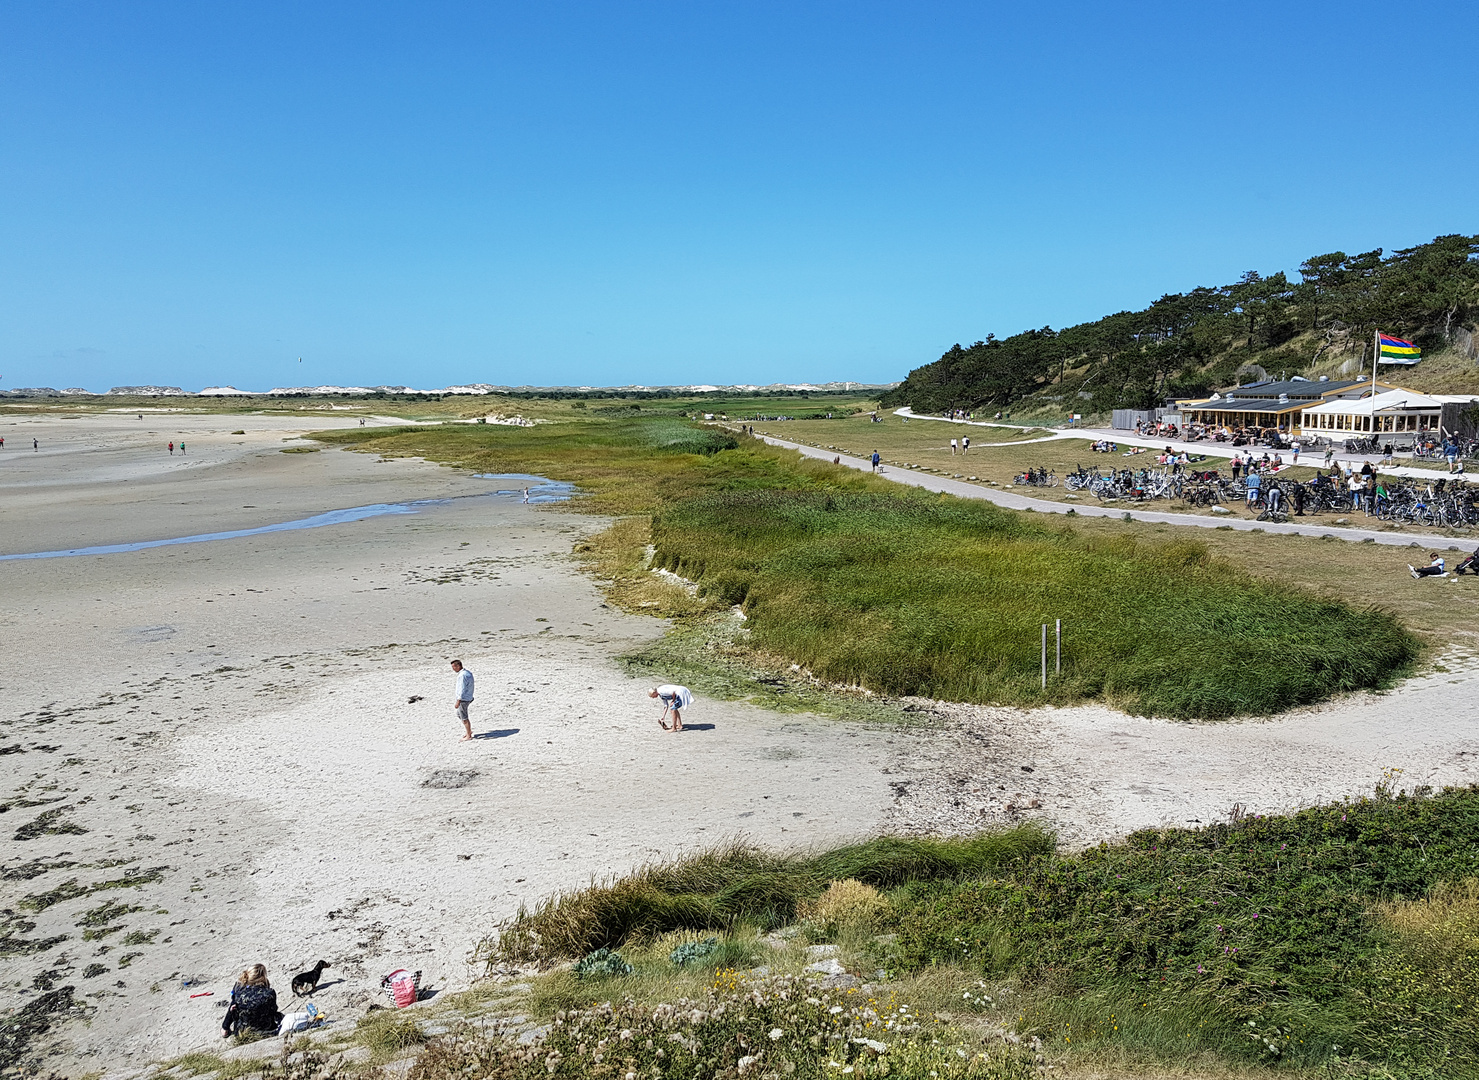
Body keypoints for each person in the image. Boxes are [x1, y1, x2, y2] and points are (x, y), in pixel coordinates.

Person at [222, 964, 282, 1039]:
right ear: (262, 977)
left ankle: (225, 1030)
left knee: (234, 1008)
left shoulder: (239, 990)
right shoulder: (269, 992)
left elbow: (232, 1009)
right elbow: (273, 1010)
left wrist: (225, 1026)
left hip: (242, 1033)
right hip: (266, 1030)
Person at [450, 659, 474, 741]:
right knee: (459, 714)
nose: (453, 669)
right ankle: (469, 731)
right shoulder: (467, 673)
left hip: (463, 699)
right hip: (468, 697)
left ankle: (468, 735)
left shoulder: (462, 675)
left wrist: (458, 701)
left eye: (454, 667)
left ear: (458, 666)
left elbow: (461, 689)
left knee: (464, 717)